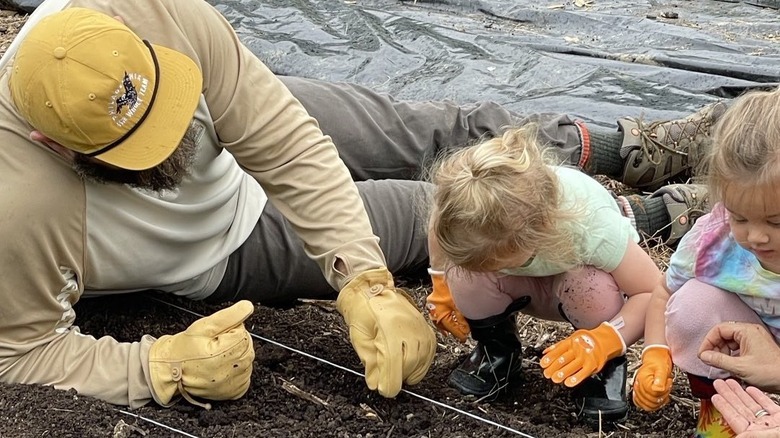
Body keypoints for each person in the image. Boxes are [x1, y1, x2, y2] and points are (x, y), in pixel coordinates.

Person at [0, 0, 719, 410]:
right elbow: (20, 352)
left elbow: (281, 143)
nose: (171, 143)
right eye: (141, 148)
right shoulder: (16, 207)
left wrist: (362, 279)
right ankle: (666, 218)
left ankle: (639, 146)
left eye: (169, 109)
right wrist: (158, 367)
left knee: (446, 138)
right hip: (217, 245)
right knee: (465, 216)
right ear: (53, 145)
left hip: (243, 159)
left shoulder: (150, 13)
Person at [424, 125, 670, 424]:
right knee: (465, 273)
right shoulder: (464, 205)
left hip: (576, 286)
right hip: (519, 282)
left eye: (493, 260)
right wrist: (441, 283)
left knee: (592, 286)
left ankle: (602, 370)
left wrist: (607, 339)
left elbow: (652, 291)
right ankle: (498, 354)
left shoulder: (589, 226)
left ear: (533, 235)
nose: (486, 267)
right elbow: (438, 224)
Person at [632, 86, 780, 438]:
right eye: (740, 217)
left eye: (776, 222)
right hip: (740, 349)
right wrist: (655, 352)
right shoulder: (711, 241)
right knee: (693, 304)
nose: (756, 237)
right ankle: (721, 415)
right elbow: (663, 295)